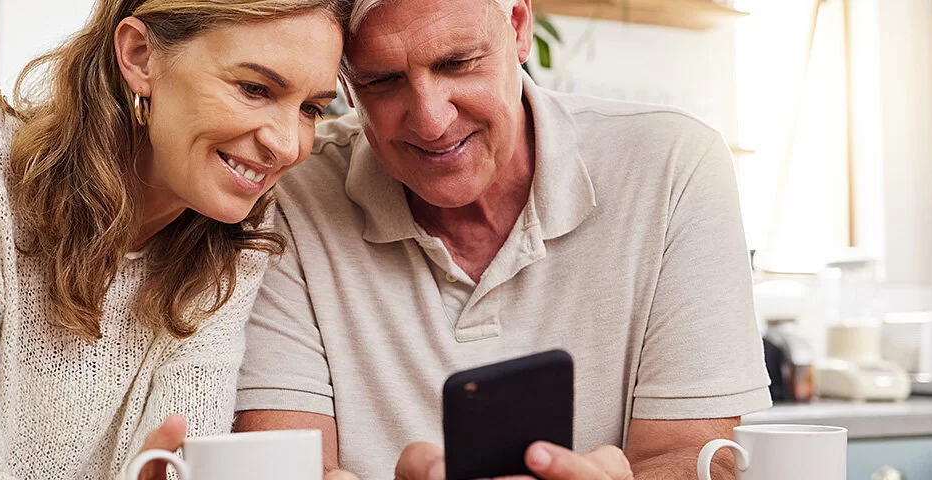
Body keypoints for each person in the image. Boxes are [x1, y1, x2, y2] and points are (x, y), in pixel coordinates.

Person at [232, 0, 771, 478]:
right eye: (382, 81)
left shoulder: (673, 165)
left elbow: (704, 456)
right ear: (345, 86)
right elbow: (286, 464)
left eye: (457, 63)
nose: (431, 120)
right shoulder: (289, 192)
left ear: (518, 27)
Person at [0, 0, 349, 478]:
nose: (286, 144)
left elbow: (182, 461)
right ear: (140, 56)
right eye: (254, 88)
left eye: (311, 109)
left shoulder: (233, 241)